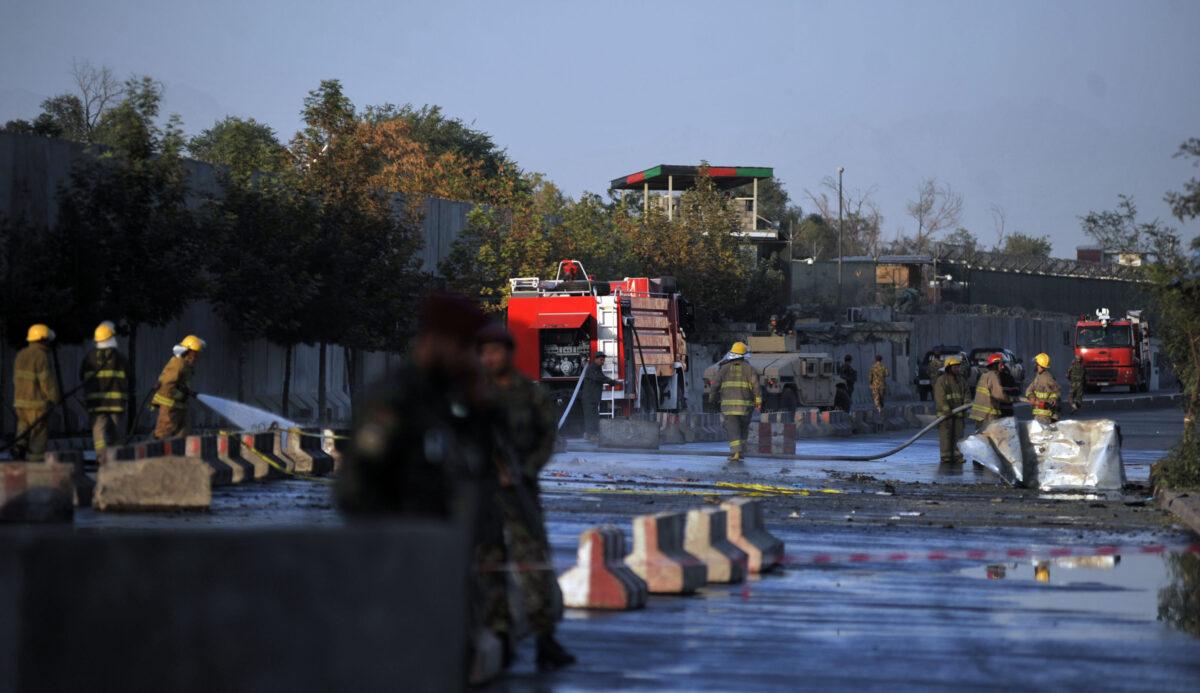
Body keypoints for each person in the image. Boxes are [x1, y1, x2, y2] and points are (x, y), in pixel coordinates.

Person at [337, 292, 506, 685]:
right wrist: (394, 548)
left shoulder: (454, 400)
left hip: (449, 567)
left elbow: (478, 473)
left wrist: (480, 409)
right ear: (437, 341)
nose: (471, 358)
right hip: (402, 568)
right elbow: (356, 487)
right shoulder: (397, 399)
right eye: (464, 347)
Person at [477, 324, 575, 672]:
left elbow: (547, 438)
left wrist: (525, 470)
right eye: (485, 352)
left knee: (533, 563)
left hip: (520, 489)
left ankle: (544, 638)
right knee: (488, 565)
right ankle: (498, 634)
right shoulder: (473, 394)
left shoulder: (530, 394)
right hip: (483, 493)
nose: (491, 358)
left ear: (509, 354)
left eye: (497, 351)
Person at [80, 321, 129, 464]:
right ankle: (116, 459)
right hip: (116, 404)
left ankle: (101, 458)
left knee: (99, 432)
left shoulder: (89, 357)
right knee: (117, 434)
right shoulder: (119, 357)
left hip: (96, 404)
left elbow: (81, 376)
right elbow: (129, 376)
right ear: (111, 338)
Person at [11, 323, 60, 462]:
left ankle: (19, 448)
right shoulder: (41, 356)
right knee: (38, 436)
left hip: (20, 404)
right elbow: (47, 382)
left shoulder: (21, 354)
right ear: (43, 339)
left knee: (23, 428)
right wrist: (55, 398)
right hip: (36, 405)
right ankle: (35, 464)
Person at [708, 341, 761, 465]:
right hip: (745, 407)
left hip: (728, 407)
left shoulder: (724, 368)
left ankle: (735, 453)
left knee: (732, 429)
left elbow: (715, 385)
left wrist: (711, 399)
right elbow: (756, 387)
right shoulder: (749, 369)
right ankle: (741, 451)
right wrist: (758, 401)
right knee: (743, 428)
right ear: (744, 355)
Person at [152, 334, 204, 440]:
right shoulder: (177, 363)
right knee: (163, 436)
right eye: (195, 353)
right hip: (169, 408)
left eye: (197, 353)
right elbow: (166, 385)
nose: (196, 356)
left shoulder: (186, 365)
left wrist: (186, 392)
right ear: (188, 351)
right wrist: (181, 395)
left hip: (180, 408)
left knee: (183, 436)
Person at [932, 354, 967, 464]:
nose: (957, 369)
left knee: (958, 436)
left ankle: (957, 456)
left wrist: (966, 404)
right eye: (954, 367)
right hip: (945, 415)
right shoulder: (941, 380)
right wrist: (946, 409)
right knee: (946, 436)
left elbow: (967, 393)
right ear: (948, 368)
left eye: (958, 367)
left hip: (958, 414)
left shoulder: (961, 380)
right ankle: (946, 456)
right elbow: (940, 396)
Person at [579, 352, 620, 442]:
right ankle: (591, 435)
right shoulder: (592, 368)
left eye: (603, 360)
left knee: (593, 416)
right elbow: (600, 378)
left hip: (593, 398)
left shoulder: (597, 368)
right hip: (589, 398)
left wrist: (611, 382)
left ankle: (590, 434)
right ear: (596, 359)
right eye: (601, 360)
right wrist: (612, 382)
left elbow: (601, 377)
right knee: (591, 417)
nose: (603, 362)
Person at [970, 352, 1013, 431]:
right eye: (1001, 364)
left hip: (979, 415)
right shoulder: (994, 376)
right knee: (992, 436)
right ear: (995, 364)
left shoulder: (984, 375)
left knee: (981, 436)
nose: (1003, 366)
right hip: (988, 415)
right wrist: (1011, 399)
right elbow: (999, 395)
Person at [1025, 352, 1061, 426]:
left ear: (1038, 365)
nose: (1034, 365)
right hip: (1039, 413)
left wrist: (1052, 400)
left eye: (1036, 363)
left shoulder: (1048, 378)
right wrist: (1031, 396)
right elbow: (1030, 388)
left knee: (1044, 431)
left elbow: (1057, 391)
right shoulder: (1038, 376)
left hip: (1045, 415)